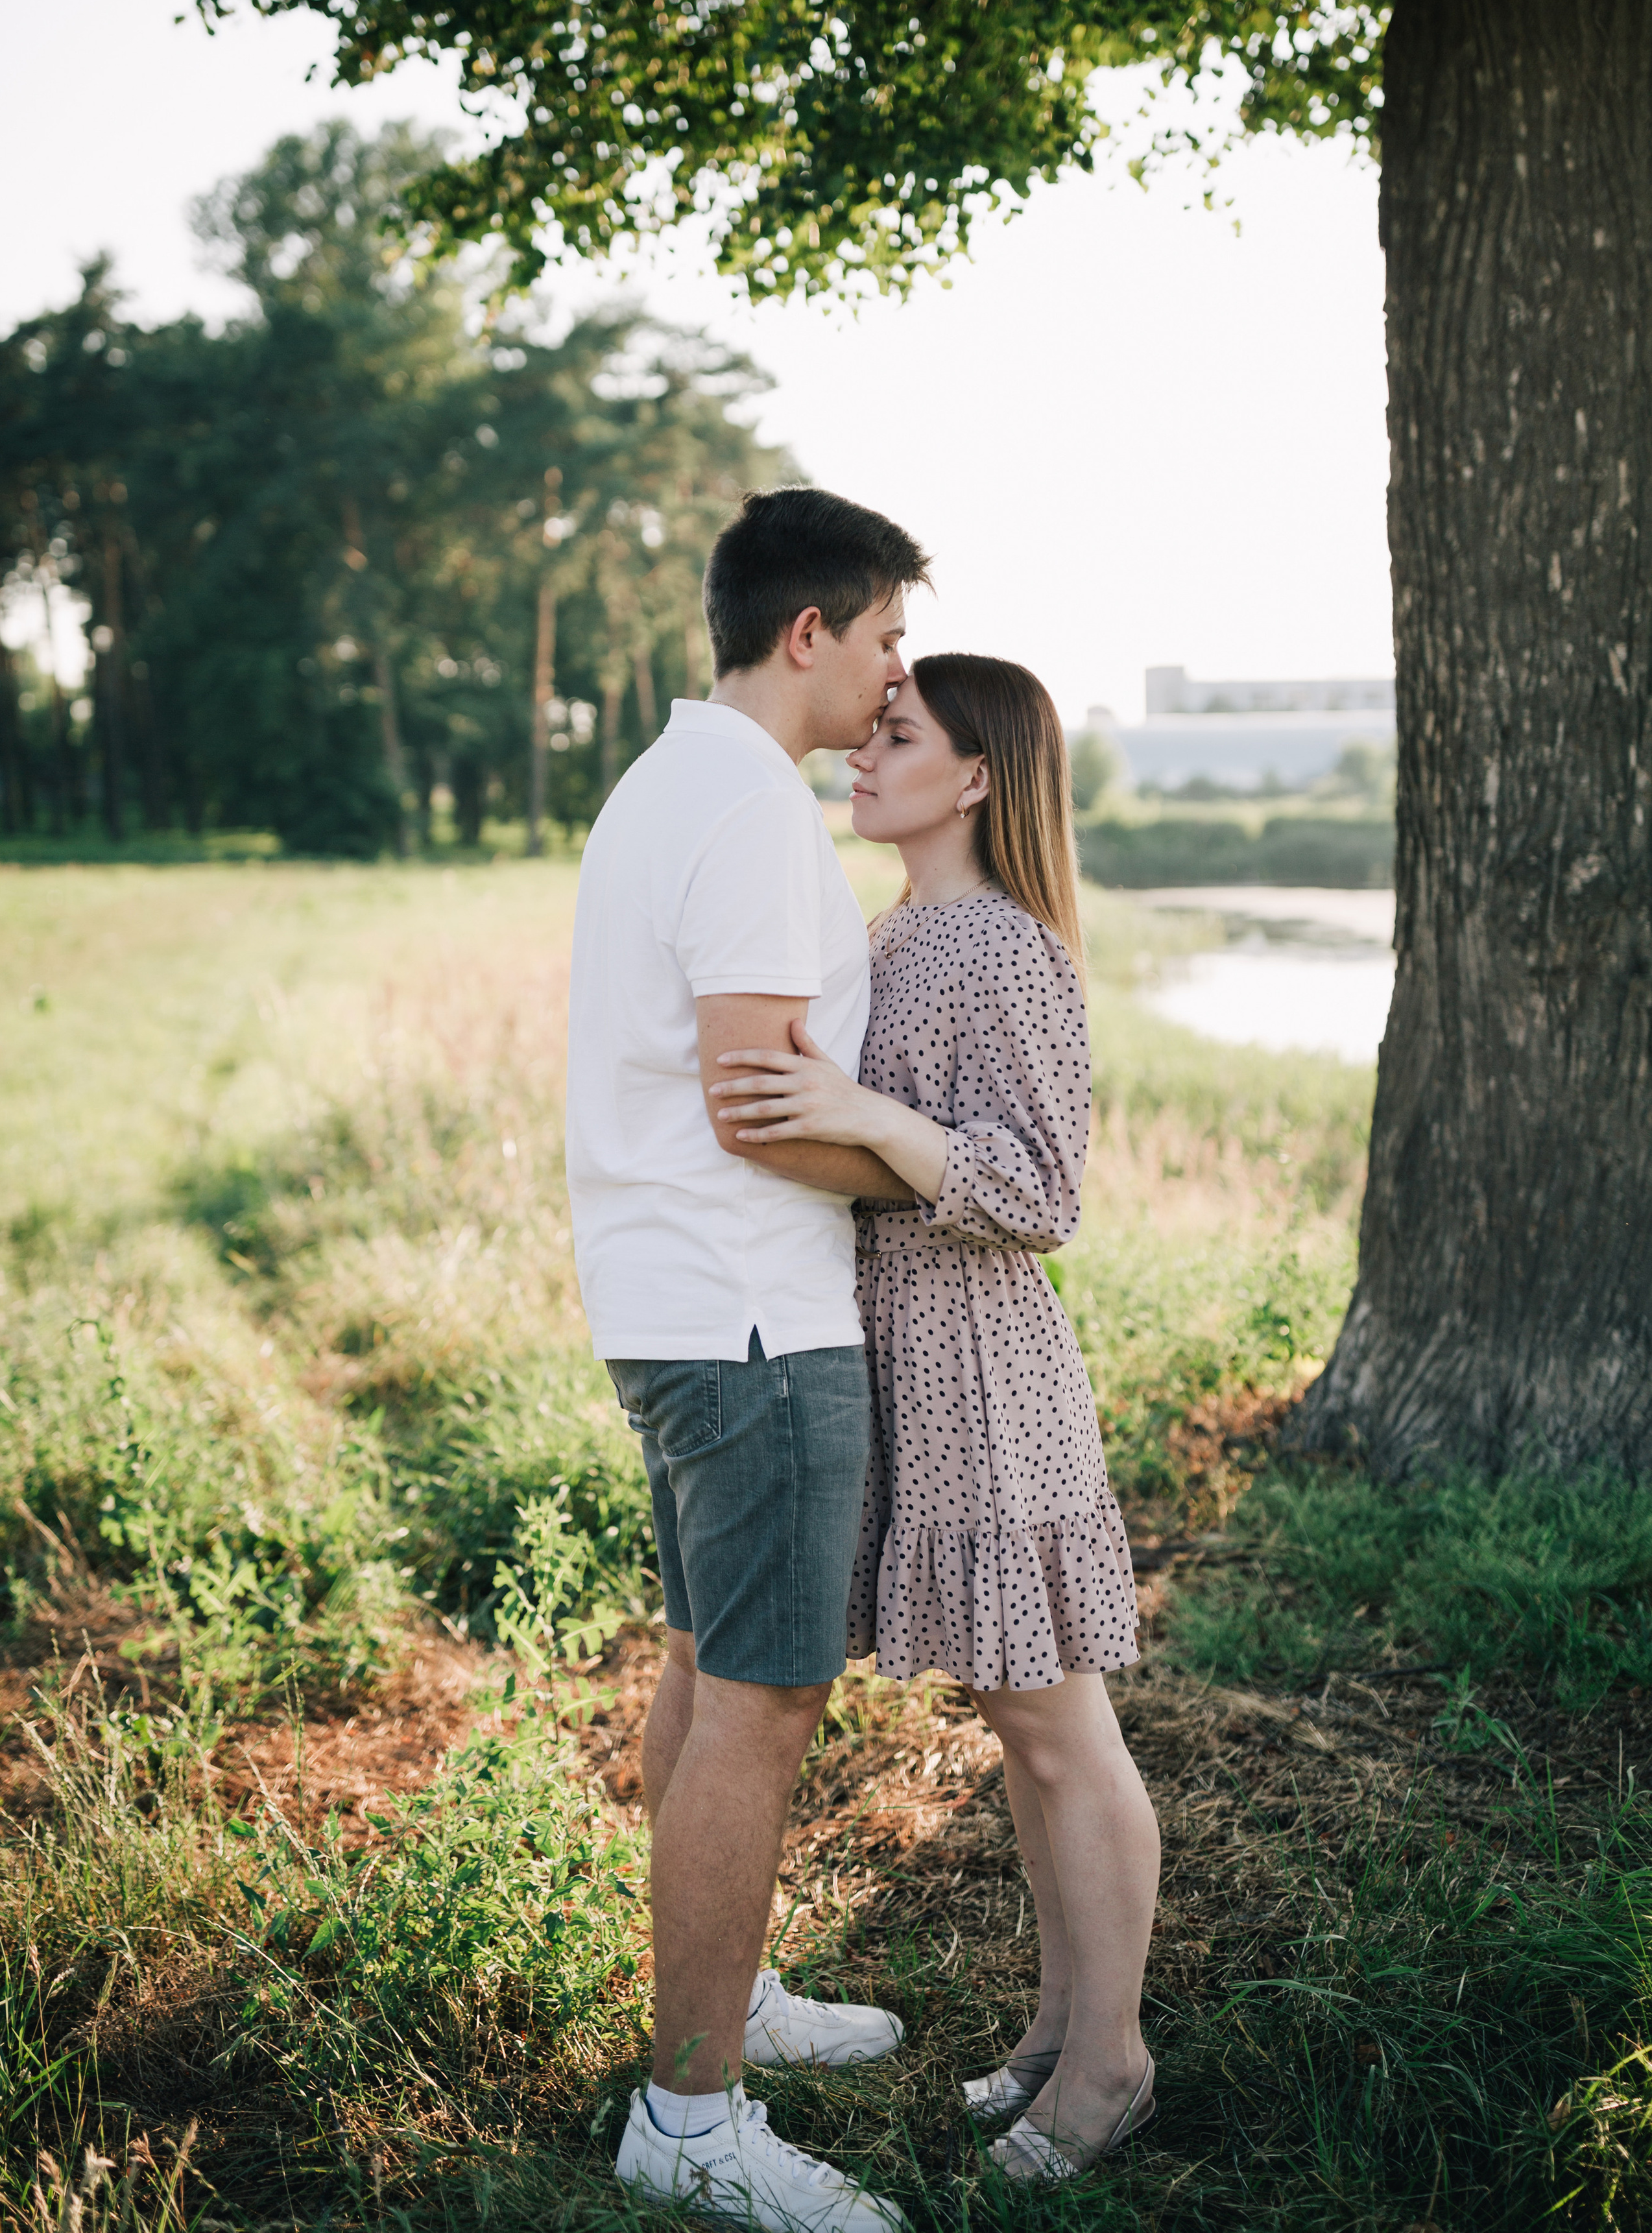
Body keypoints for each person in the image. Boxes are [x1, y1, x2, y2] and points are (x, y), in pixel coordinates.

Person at [709, 652, 1162, 2185]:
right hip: (895, 1354)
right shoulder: (895, 934)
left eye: (896, 737)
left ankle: (1109, 2066)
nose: (861, 752)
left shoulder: (1004, 950)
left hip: (982, 1366)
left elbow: (1042, 1193)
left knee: (1055, 1730)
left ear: (972, 777)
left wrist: (871, 1121)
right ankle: (1053, 2029)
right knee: (1014, 1723)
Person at [565, 486, 935, 2230]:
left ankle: (732, 1990)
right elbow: (752, 1103)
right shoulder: (749, 812)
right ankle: (694, 2119)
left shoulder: (667, 783)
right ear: (811, 633)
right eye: (884, 640)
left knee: (717, 1670)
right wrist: (935, 1175)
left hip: (680, 1299)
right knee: (765, 1702)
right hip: (752, 1318)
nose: (893, 677)